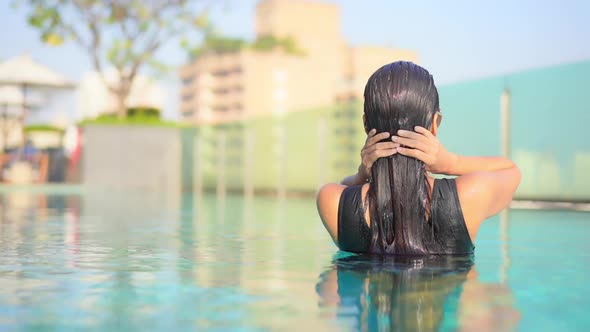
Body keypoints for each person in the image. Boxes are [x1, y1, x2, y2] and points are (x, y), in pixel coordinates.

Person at [316, 61, 521, 255]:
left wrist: (362, 174)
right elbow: (510, 170)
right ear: (434, 123)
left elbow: (344, 189)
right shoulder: (470, 194)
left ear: (365, 125)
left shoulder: (331, 200)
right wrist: (451, 163)